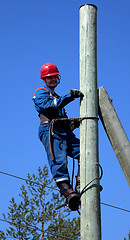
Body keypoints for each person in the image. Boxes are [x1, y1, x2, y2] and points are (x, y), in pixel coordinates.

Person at [33, 63, 84, 211]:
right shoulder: (41, 92)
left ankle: (81, 182)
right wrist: (70, 96)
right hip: (50, 130)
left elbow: (59, 110)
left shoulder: (56, 96)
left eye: (55, 76)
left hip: (62, 130)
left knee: (86, 151)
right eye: (49, 77)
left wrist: (72, 123)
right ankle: (68, 192)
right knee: (59, 159)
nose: (53, 79)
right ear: (44, 79)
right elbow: (50, 106)